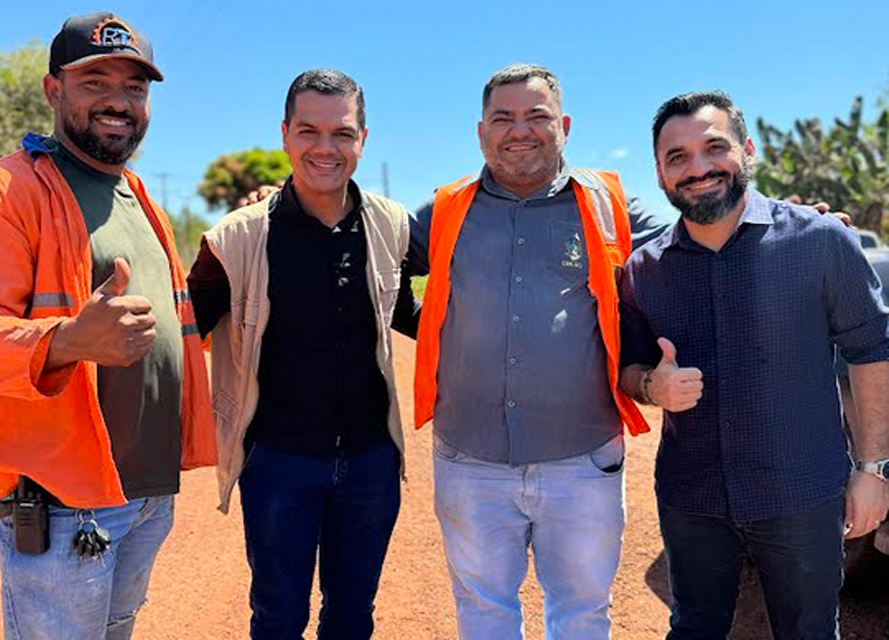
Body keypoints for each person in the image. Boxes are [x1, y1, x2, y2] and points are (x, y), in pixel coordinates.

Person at [0, 12, 215, 639]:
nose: (118, 101)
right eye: (95, 82)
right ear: (53, 90)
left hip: (143, 492)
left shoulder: (140, 198)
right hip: (61, 503)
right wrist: (62, 341)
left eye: (134, 88)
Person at [618, 91, 889, 639]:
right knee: (694, 629)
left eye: (713, 148)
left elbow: (872, 350)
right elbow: (628, 365)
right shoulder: (643, 270)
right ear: (661, 173)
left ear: (747, 150)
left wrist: (872, 471)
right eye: (678, 157)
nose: (698, 168)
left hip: (803, 495)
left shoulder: (821, 242)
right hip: (691, 497)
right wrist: (651, 384)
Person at [404, 63, 653, 640]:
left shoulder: (608, 205)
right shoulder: (445, 209)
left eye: (536, 116)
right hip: (470, 458)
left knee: (582, 613)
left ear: (562, 124)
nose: (520, 130)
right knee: (484, 612)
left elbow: (693, 240)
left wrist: (793, 220)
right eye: (504, 118)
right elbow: (369, 253)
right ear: (481, 131)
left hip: (583, 458)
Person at [187, 69, 417, 640]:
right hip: (276, 466)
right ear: (285, 135)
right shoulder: (235, 238)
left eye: (342, 133)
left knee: (350, 618)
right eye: (309, 131)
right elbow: (182, 333)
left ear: (363, 138)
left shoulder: (392, 225)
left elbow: (419, 317)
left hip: (370, 463)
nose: (325, 148)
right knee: (278, 618)